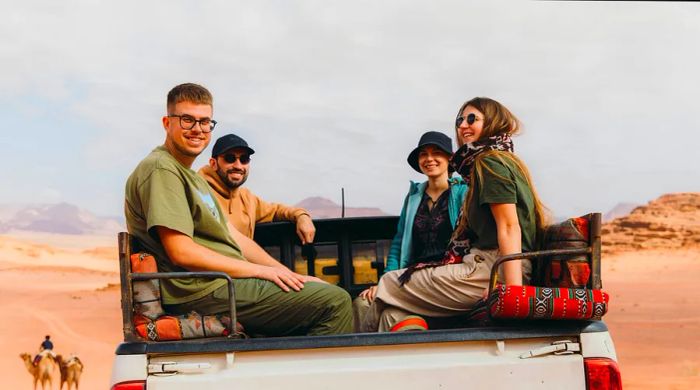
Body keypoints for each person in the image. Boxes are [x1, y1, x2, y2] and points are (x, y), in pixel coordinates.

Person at [124, 83, 352, 336]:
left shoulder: (192, 177)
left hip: (219, 282)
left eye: (205, 122)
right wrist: (261, 272)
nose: (197, 129)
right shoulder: (162, 169)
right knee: (336, 302)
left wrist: (287, 274)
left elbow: (236, 238)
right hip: (201, 288)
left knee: (313, 292)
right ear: (167, 123)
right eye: (187, 120)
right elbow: (182, 252)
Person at [360, 97, 548, 332]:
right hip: (486, 267)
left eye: (472, 119)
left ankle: (352, 352)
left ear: (492, 121)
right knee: (392, 314)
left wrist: (512, 294)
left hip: (494, 266)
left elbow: (510, 227)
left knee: (387, 284)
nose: (463, 125)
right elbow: (400, 241)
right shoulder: (494, 161)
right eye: (460, 120)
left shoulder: (490, 164)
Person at [352, 131, 467, 331]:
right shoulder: (414, 196)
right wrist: (385, 280)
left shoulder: (462, 192)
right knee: (364, 303)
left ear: (449, 158)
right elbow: (398, 243)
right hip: (411, 274)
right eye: (424, 154)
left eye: (437, 153)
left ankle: (365, 347)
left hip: (446, 274)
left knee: (376, 306)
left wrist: (386, 289)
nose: (429, 159)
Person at [198, 133, 315, 243]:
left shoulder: (247, 199)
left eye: (244, 159)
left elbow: (275, 211)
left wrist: (302, 216)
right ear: (213, 164)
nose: (238, 166)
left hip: (242, 264)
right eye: (230, 158)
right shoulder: (200, 193)